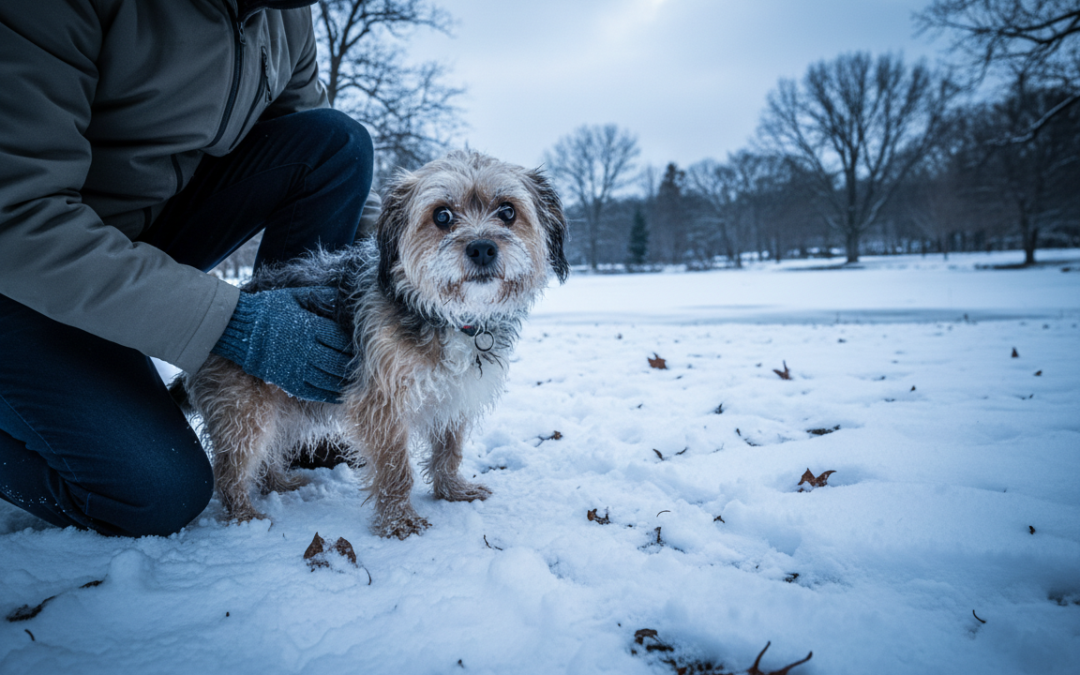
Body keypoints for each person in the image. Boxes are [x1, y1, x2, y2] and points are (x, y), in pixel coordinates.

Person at [0, 0, 378, 537]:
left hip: (131, 245)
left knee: (338, 142)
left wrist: (396, 264)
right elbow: (17, 216)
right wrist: (234, 324)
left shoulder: (285, 14)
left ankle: (279, 414)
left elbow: (310, 145)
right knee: (155, 492)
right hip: (21, 269)